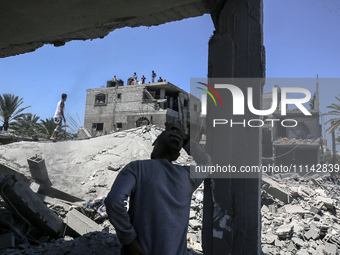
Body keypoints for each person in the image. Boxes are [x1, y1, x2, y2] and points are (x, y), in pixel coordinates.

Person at [105, 124, 211, 255]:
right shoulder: (188, 176)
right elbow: (207, 164)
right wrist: (187, 140)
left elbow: (114, 201)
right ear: (177, 156)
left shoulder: (136, 168)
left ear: (156, 146)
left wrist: (129, 239)